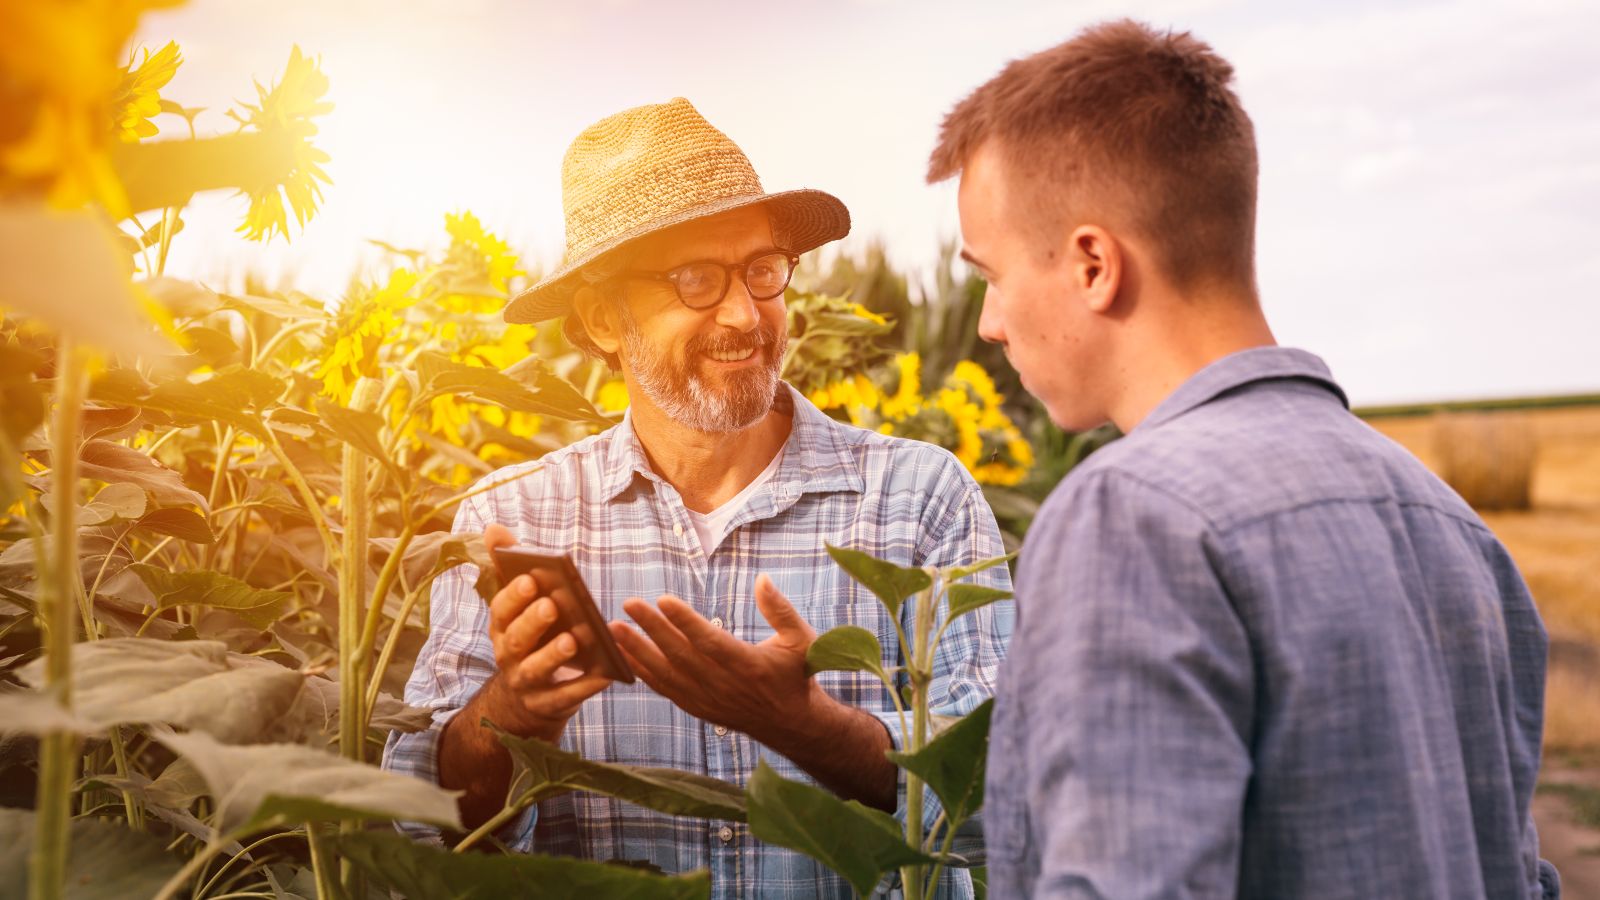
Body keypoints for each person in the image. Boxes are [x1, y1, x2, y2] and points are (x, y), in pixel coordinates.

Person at [927, 19, 1560, 899]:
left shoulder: (1134, 514)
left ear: (1092, 266)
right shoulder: (1451, 523)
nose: (991, 322)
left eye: (990, 274)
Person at [383, 97, 1012, 899]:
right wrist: (517, 710)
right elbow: (423, 829)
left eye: (761, 270)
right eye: (697, 280)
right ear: (603, 320)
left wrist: (808, 728)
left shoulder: (918, 498)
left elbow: (1008, 800)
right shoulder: (515, 520)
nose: (747, 314)